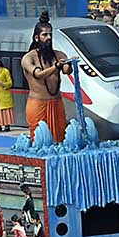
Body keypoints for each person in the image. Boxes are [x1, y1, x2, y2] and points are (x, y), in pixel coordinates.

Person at [21, 12, 73, 142]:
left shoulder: (59, 55)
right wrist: (56, 66)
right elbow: (38, 75)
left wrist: (69, 64)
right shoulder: (28, 58)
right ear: (37, 38)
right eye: (45, 35)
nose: (48, 37)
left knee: (61, 137)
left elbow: (67, 71)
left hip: (57, 102)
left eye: (50, 34)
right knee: (39, 138)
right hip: (37, 103)